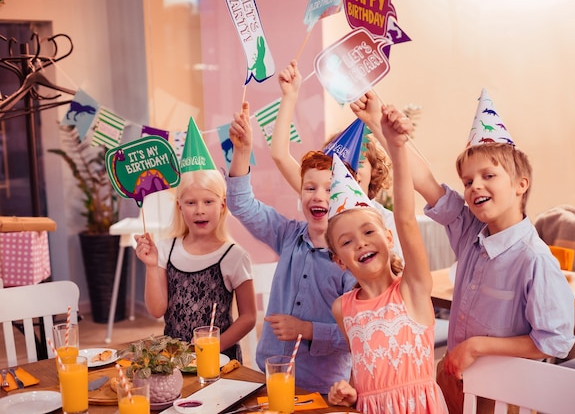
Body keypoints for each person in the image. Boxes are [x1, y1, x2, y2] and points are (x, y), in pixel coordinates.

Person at [411, 91, 575, 413]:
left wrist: (477, 346)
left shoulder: (535, 260)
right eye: (468, 180)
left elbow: (554, 340)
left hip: (502, 392)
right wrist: (381, 125)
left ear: (520, 185)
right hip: (454, 378)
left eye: (488, 176)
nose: (475, 187)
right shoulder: (470, 232)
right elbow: (425, 181)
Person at [325, 105, 448, 414]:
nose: (361, 243)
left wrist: (397, 147)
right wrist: (349, 393)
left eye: (368, 231)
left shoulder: (413, 289)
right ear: (340, 261)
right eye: (347, 242)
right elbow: (361, 376)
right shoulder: (343, 308)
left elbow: (406, 218)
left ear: (389, 238)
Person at [227, 101, 355, 393]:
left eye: (330, 189)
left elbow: (358, 334)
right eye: (310, 188)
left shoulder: (353, 262)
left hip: (324, 390)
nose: (318, 196)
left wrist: (307, 330)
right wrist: (243, 151)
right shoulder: (287, 234)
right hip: (270, 377)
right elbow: (241, 204)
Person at [270, 60, 401, 258]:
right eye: (337, 164)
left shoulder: (386, 220)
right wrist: (289, 96)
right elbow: (280, 155)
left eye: (359, 161)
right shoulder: (324, 200)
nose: (347, 169)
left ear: (374, 170)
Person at [134, 170, 256, 363]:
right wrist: (151, 266)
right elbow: (157, 310)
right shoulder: (166, 249)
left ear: (223, 205)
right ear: (179, 206)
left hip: (219, 359)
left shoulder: (234, 256)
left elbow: (249, 317)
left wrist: (214, 345)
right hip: (174, 360)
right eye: (191, 202)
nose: (200, 210)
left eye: (208, 202)